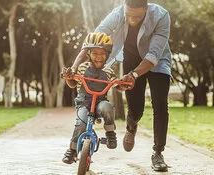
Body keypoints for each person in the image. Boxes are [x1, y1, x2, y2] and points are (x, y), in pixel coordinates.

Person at [69, 0, 172, 172]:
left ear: (147, 9)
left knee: (160, 105)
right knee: (136, 108)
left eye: (137, 16)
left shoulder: (161, 16)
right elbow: (92, 42)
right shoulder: (117, 15)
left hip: (158, 62)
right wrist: (73, 68)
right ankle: (132, 125)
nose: (132, 20)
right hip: (131, 60)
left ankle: (158, 153)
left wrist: (134, 75)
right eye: (129, 15)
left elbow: (154, 54)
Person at [61, 32, 131, 164]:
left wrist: (124, 85)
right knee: (81, 124)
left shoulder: (108, 71)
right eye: (95, 53)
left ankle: (110, 134)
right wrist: (69, 78)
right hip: (83, 103)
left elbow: (117, 85)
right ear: (88, 54)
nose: (99, 57)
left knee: (107, 107)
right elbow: (72, 84)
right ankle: (72, 150)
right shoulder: (82, 68)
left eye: (102, 53)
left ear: (107, 54)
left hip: (100, 102)